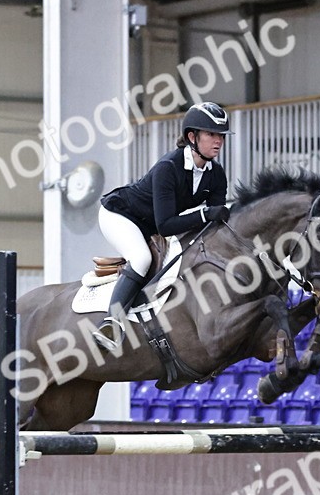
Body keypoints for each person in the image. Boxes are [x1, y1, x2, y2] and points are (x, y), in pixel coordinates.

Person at [92, 101, 233, 351]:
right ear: (192, 136)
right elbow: (167, 225)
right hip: (121, 215)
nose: (218, 141)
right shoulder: (168, 168)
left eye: (220, 135)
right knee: (141, 259)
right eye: (211, 134)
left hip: (152, 226)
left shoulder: (216, 174)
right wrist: (205, 214)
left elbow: (213, 224)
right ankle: (111, 323)